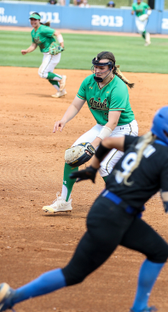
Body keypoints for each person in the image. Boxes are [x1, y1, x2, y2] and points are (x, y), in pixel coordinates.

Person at [0, 106, 168, 312]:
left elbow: (107, 142)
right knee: (74, 274)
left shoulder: (140, 141)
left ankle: (139, 311)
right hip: (113, 220)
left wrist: (93, 167)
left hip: (107, 211)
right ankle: (11, 297)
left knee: (159, 251)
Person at [42, 51, 138, 213]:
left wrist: (95, 143)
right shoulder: (88, 82)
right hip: (102, 126)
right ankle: (64, 202)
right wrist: (63, 120)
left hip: (124, 130)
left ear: (111, 68)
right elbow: (75, 105)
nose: (97, 70)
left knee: (105, 166)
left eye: (102, 67)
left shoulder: (119, 88)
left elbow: (113, 122)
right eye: (95, 67)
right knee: (72, 156)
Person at [21, 12, 67, 98]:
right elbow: (34, 45)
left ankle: (61, 78)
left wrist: (62, 45)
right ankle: (61, 91)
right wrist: (27, 51)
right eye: (31, 19)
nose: (33, 21)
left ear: (39, 20)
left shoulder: (43, 29)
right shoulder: (33, 32)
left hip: (52, 53)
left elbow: (57, 33)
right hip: (47, 55)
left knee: (42, 73)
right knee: (48, 74)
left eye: (35, 19)